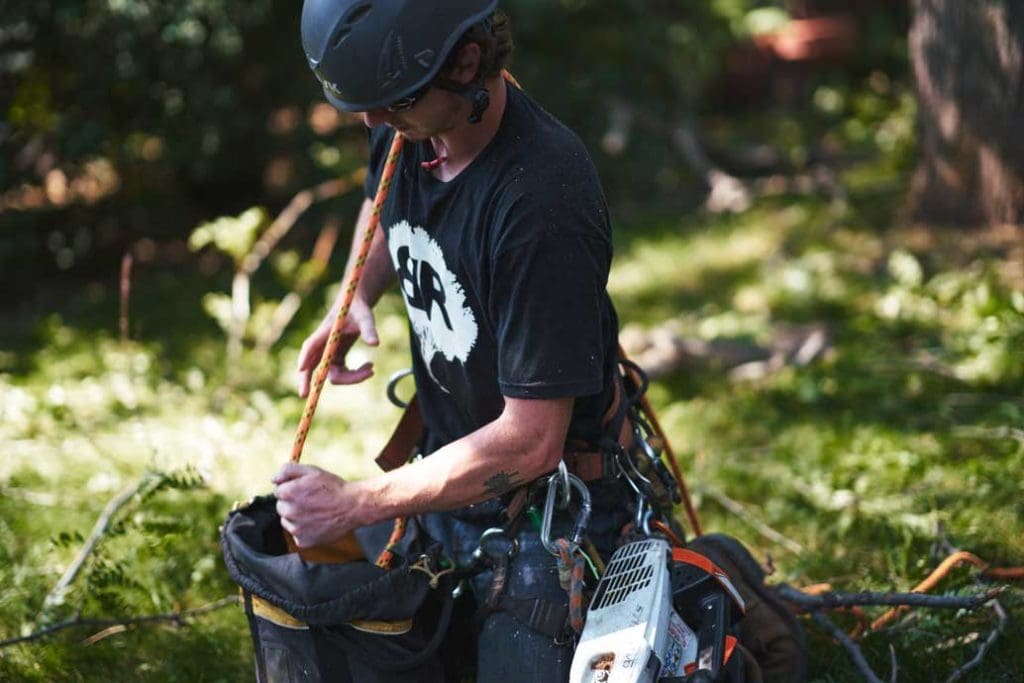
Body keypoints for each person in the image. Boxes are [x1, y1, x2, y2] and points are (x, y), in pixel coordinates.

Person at [273, 1, 806, 681]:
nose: (372, 122)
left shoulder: (540, 201)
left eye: (390, 105)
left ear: (466, 63)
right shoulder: (409, 117)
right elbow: (382, 206)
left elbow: (530, 440)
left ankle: (695, 574)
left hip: (557, 510)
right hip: (452, 476)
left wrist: (356, 501)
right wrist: (356, 295)